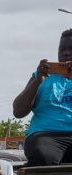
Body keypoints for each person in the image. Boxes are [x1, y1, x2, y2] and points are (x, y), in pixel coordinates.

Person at [14, 29, 72, 166]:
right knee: (44, 156)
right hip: (45, 134)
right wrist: (37, 80)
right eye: (62, 49)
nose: (66, 53)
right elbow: (18, 112)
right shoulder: (41, 76)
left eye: (71, 49)